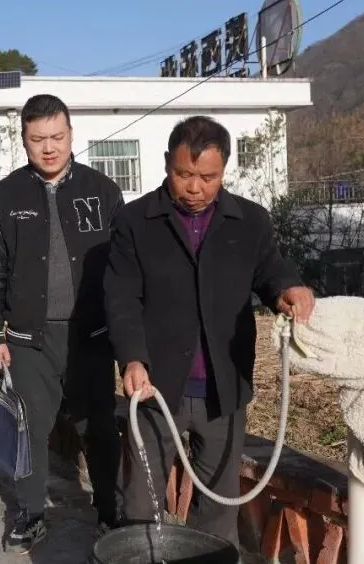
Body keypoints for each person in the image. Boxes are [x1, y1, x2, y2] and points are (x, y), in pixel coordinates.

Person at [104, 115, 315, 548]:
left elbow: (270, 270)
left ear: (224, 171)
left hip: (224, 388)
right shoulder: (135, 221)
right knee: (140, 502)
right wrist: (132, 358)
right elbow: (121, 297)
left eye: (208, 177)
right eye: (184, 174)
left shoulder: (250, 221)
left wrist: (288, 289)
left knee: (218, 511)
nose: (195, 188)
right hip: (155, 386)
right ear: (167, 163)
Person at [0, 93, 124, 552]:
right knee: (29, 430)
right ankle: (31, 513)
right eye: (37, 139)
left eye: (57, 137)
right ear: (23, 140)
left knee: (98, 428)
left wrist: (125, 329)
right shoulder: (5, 198)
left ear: (71, 134)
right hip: (28, 339)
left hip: (90, 336)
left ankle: (109, 512)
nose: (49, 147)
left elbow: (124, 266)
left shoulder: (103, 191)